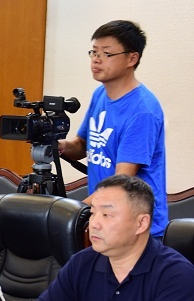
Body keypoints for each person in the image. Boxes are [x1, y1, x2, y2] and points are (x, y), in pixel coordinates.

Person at [4, 175, 194, 301]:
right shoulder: (83, 263)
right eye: (93, 213)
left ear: (141, 223)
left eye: (106, 215)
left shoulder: (175, 272)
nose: (94, 223)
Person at [58, 20, 167, 238]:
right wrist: (57, 145)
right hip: (104, 217)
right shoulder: (100, 94)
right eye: (94, 52)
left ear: (132, 58)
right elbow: (81, 146)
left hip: (135, 227)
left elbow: (121, 181)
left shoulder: (142, 110)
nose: (96, 59)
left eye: (106, 53)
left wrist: (68, 213)